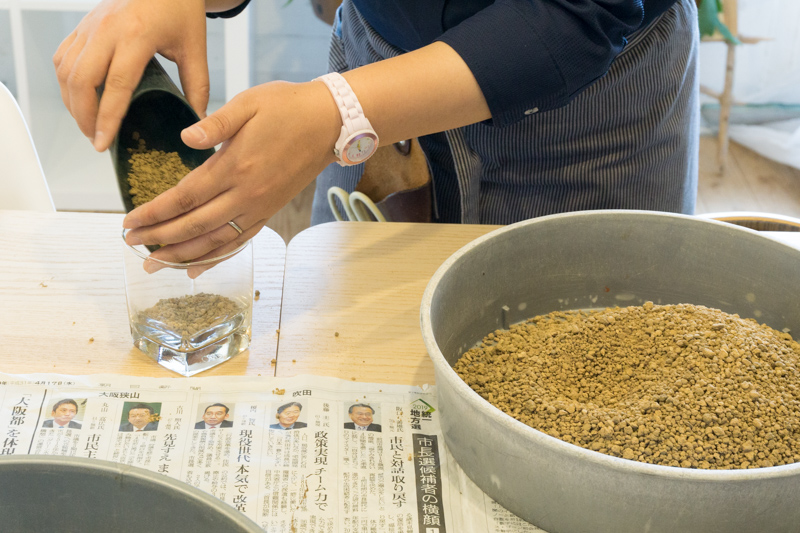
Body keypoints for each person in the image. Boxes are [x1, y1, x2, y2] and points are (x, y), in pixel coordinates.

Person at [54, 0, 698, 268]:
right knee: (353, 340)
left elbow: (583, 12)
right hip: (376, 53)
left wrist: (339, 112)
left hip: (586, 105)